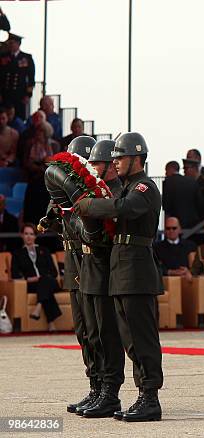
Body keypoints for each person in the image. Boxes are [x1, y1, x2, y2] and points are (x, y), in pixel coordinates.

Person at [74, 132, 164, 422]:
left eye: (121, 157)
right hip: (121, 271)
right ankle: (142, 396)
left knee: (142, 337)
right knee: (130, 340)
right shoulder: (125, 188)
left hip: (137, 270)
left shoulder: (144, 187)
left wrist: (88, 206)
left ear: (137, 158)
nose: (116, 162)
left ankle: (150, 397)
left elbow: (123, 209)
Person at [38, 135, 99, 414]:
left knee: (96, 329)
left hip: (88, 258)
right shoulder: (61, 192)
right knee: (81, 329)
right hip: (72, 261)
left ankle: (104, 389)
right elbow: (52, 218)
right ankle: (94, 386)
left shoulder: (95, 193)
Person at [76, 139, 126, 418]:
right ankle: (97, 387)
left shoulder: (115, 193)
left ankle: (110, 392)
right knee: (92, 334)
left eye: (97, 163)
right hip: (89, 268)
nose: (92, 168)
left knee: (107, 334)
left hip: (106, 269)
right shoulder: (94, 192)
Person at [10, 223, 61, 331]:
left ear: (35, 236)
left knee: (45, 281)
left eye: (31, 234)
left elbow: (54, 272)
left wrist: (42, 278)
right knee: (45, 290)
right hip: (32, 284)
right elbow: (15, 274)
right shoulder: (17, 254)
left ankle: (38, 306)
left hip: (50, 282)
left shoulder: (44, 250)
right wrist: (30, 279)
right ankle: (51, 323)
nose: (29, 236)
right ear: (22, 235)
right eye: (26, 234)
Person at [0, 33, 35, 120]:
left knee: (18, 117)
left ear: (18, 44)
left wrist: (28, 95)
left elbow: (31, 78)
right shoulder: (3, 57)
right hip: (6, 94)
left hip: (20, 94)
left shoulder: (26, 58)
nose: (10, 45)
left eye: (12, 43)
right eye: (9, 43)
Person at [163, 160, 204, 231]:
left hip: (175, 222)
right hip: (193, 222)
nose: (165, 173)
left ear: (170, 169)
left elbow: (166, 205)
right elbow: (200, 203)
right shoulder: (192, 181)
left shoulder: (168, 182)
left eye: (166, 170)